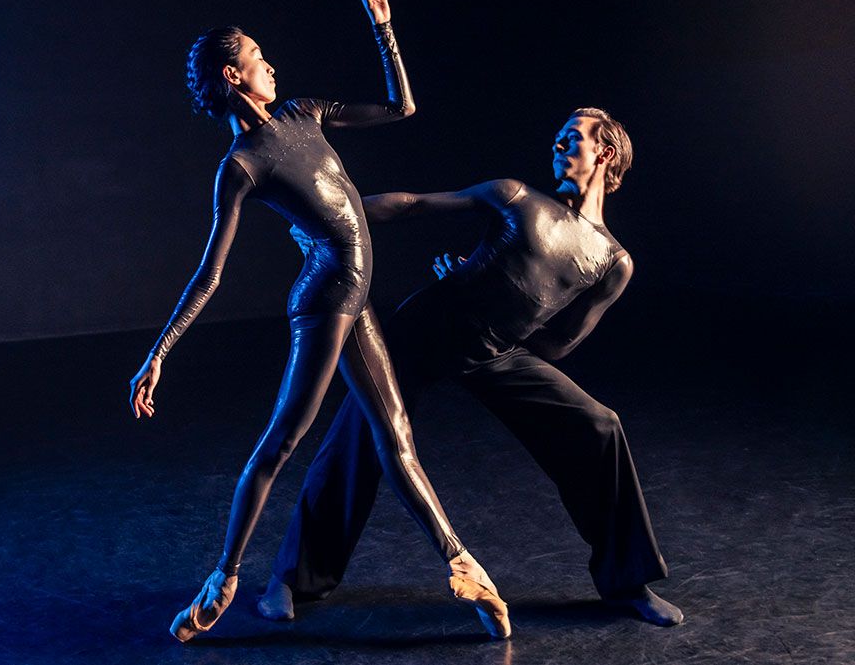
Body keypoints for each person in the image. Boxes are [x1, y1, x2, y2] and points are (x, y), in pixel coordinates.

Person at [128, 0, 511, 643]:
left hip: (354, 298)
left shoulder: (304, 111)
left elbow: (402, 108)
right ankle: (223, 577)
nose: (271, 62)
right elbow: (209, 274)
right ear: (232, 74)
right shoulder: (243, 163)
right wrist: (157, 354)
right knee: (281, 442)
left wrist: (381, 25)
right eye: (258, 56)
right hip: (325, 301)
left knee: (397, 438)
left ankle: (463, 564)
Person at [258, 108, 684, 628]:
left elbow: (557, 346)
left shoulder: (614, 261)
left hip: (497, 352)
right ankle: (290, 580)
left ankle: (626, 583)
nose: (557, 147)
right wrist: (331, 220)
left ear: (606, 153)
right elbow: (415, 204)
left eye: (571, 139)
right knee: (358, 440)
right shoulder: (516, 197)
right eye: (556, 138)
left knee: (598, 425)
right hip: (427, 329)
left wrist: (512, 317)